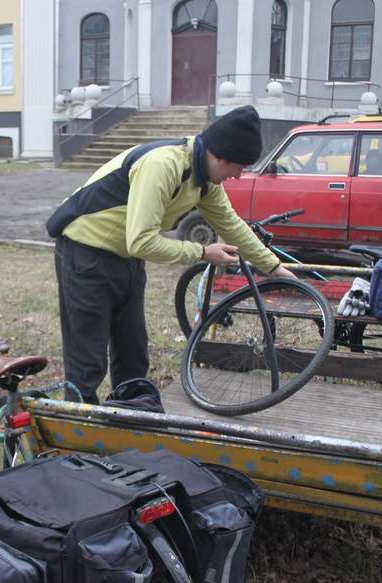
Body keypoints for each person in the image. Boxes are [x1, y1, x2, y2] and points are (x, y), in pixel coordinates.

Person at [46, 105, 296, 404]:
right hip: (85, 253)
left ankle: (128, 425)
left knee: (133, 354)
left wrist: (273, 267)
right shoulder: (163, 165)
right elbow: (142, 242)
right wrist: (203, 252)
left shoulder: (205, 180)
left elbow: (230, 224)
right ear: (220, 156)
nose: (239, 176)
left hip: (125, 259)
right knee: (87, 360)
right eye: (238, 167)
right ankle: (76, 434)